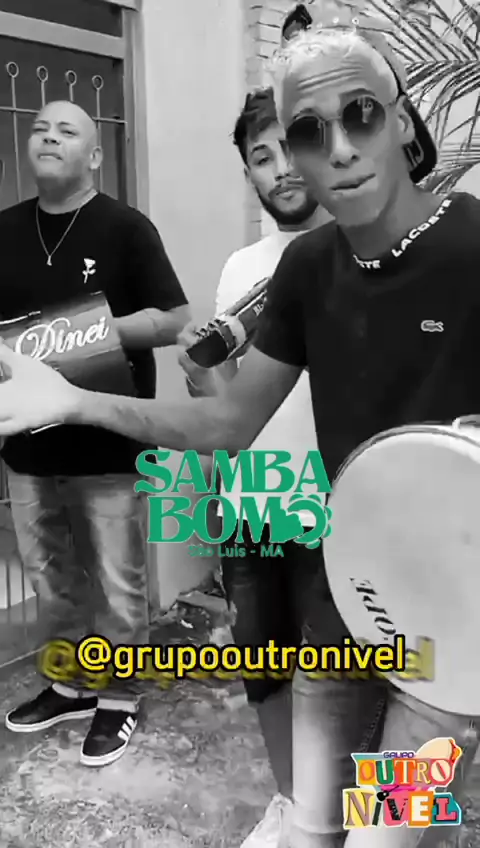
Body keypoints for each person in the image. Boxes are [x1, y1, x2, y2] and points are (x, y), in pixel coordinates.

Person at [0, 6, 479, 844]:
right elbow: (226, 420)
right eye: (308, 133)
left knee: (387, 835)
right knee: (316, 821)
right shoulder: (306, 268)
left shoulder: (473, 245)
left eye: (361, 115)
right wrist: (75, 402)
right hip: (343, 608)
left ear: (402, 120)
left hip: (456, 626)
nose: (338, 148)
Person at [0, 100, 190, 768]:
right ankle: (72, 685)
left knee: (116, 579)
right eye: (40, 129)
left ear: (96, 155)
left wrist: (84, 334)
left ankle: (120, 696)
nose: (49, 137)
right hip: (27, 444)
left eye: (67, 130)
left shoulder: (125, 228)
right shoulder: (5, 229)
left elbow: (175, 319)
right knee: (51, 579)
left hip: (107, 440)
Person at [178, 87, 331, 847]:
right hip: (256, 502)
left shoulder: (359, 248)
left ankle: (375, 820)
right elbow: (229, 405)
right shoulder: (242, 268)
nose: (281, 169)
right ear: (250, 175)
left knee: (364, 678)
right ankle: (294, 805)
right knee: (267, 669)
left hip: (348, 504)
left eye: (288, 147)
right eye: (260, 158)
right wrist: (202, 375)